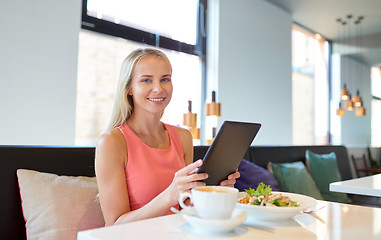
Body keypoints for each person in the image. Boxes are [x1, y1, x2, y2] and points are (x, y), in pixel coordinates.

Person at [95, 48, 240, 226]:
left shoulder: (183, 137)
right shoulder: (112, 142)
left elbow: (188, 206)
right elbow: (114, 226)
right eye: (146, 80)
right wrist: (169, 196)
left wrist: (216, 192)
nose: (158, 88)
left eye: (165, 79)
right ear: (129, 89)